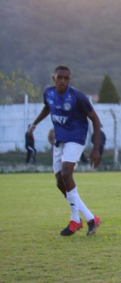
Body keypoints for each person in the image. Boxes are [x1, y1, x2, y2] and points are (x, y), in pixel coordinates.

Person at [28, 65, 103, 236]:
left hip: (76, 138)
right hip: (59, 140)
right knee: (60, 183)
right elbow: (48, 107)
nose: (62, 81)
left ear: (70, 80)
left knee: (66, 174)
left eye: (66, 78)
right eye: (59, 77)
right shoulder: (48, 92)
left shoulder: (77, 97)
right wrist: (35, 123)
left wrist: (95, 149)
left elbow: (96, 120)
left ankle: (75, 219)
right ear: (53, 78)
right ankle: (89, 218)